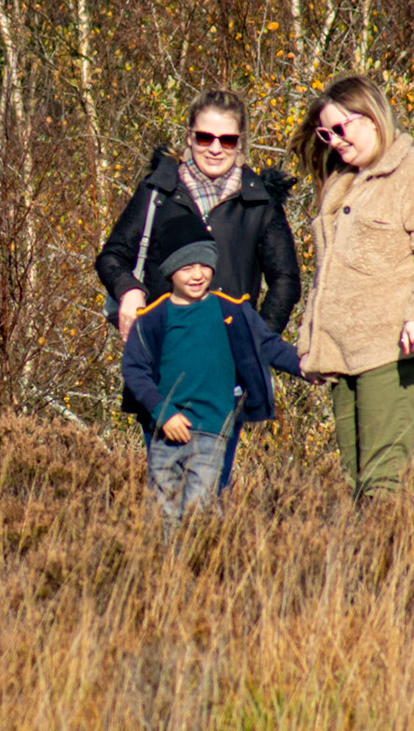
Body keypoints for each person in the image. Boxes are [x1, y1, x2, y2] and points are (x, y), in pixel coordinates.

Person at [293, 73, 414, 502]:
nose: (334, 140)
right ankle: (366, 564)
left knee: (382, 482)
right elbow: (325, 276)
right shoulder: (339, 184)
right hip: (343, 357)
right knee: (355, 483)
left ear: (372, 117)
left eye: (341, 127)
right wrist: (309, 342)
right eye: (325, 132)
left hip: (392, 353)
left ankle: (388, 563)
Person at [121, 212, 304, 535]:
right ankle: (165, 576)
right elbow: (134, 370)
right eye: (187, 266)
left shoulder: (232, 310)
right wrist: (163, 413)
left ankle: (202, 571)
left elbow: (269, 345)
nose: (197, 274)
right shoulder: (152, 318)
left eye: (204, 264)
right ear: (169, 271)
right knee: (162, 513)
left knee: (201, 511)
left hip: (214, 431)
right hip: (166, 431)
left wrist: (308, 366)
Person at [95, 89, 301, 340]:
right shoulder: (158, 191)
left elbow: (285, 279)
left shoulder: (259, 202)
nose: (215, 149)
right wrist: (129, 290)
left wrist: (257, 342)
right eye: (205, 138)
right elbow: (112, 256)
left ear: (240, 143)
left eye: (227, 140)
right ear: (189, 137)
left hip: (229, 358)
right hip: (162, 352)